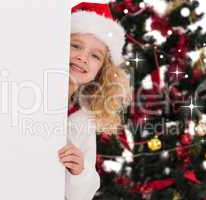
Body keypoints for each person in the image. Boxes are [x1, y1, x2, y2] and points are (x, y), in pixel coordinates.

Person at [57, 2, 131, 200]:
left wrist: (79, 171)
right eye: (75, 46)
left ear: (102, 71)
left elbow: (82, 194)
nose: (82, 57)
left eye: (95, 56)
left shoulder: (84, 117)